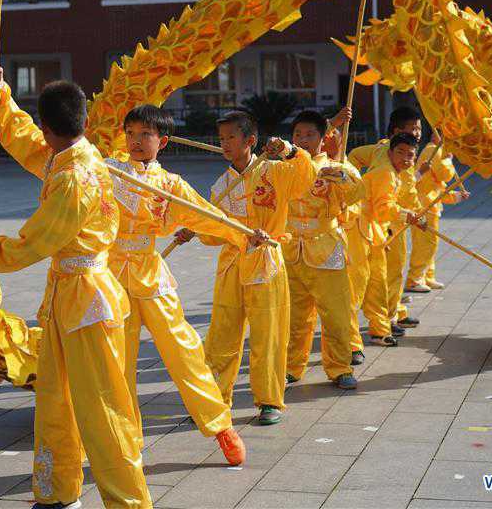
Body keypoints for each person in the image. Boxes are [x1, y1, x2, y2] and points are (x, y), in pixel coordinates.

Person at [0, 62, 151, 509]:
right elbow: (28, 144)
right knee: (55, 399)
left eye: (41, 127)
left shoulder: (74, 177)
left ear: (49, 125)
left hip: (89, 302)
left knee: (101, 410)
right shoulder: (74, 154)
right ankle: (57, 493)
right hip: (66, 298)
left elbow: (34, 243)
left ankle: (129, 502)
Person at [105, 104, 252, 465]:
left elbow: (207, 215)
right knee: (115, 362)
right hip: (109, 278)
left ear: (163, 141)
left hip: (151, 274)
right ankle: (126, 440)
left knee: (184, 351)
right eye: (131, 133)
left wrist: (246, 235)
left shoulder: (170, 185)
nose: (136, 141)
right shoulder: (107, 172)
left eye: (146, 135)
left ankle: (221, 425)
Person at [175, 111, 315, 425]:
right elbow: (215, 231)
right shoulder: (221, 185)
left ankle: (269, 401)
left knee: (268, 335)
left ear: (250, 140)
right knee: (222, 335)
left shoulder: (275, 172)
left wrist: (290, 150)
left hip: (266, 263)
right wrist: (193, 230)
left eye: (231, 137)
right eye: (221, 139)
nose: (224, 144)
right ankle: (213, 402)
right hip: (232, 266)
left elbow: (308, 175)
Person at [283, 109, 361, 389]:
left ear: (322, 137)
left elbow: (358, 193)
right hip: (291, 249)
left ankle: (340, 367)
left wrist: (340, 177)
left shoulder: (335, 167)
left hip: (326, 248)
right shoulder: (283, 166)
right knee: (293, 315)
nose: (303, 140)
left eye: (309, 134)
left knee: (336, 314)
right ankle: (291, 366)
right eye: (298, 134)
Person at [349, 106, 423, 332]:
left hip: (398, 217)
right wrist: (355, 185)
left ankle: (395, 311)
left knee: (395, 268)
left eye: (419, 128)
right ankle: (385, 319)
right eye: (412, 129)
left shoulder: (405, 152)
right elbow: (352, 158)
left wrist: (416, 211)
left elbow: (409, 188)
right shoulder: (384, 157)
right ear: (396, 131)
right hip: (384, 221)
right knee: (386, 272)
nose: (418, 133)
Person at [405, 131, 470, 292]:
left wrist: (457, 197)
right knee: (425, 243)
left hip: (431, 203)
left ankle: (427, 276)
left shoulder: (437, 150)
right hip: (423, 204)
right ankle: (415, 278)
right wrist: (448, 160)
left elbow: (439, 187)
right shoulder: (432, 150)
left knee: (431, 243)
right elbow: (445, 174)